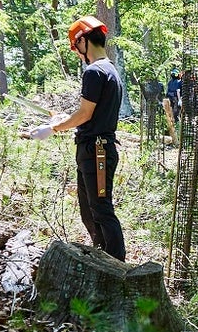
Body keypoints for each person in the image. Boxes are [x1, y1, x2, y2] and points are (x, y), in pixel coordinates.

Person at [26, 15, 125, 259]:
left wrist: (54, 128)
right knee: (88, 211)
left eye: (75, 47)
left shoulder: (94, 71)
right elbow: (90, 113)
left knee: (101, 210)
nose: (76, 53)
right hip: (91, 150)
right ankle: (102, 258)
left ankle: (118, 268)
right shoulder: (110, 70)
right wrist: (62, 118)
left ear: (83, 41)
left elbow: (85, 113)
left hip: (97, 151)